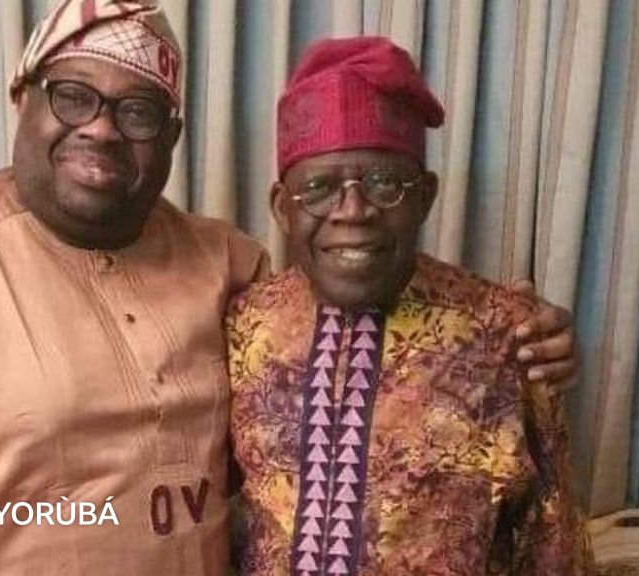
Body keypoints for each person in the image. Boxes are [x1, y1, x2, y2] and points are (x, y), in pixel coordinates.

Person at [0, 1, 576, 574]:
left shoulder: (229, 270)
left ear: (172, 138)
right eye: (72, 96)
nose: (100, 128)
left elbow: (352, 349)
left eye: (138, 112)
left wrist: (525, 333)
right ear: (22, 100)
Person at [226, 37, 591, 575]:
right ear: (283, 208)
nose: (353, 211)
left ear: (424, 197)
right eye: (320, 187)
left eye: (384, 183)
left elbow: (551, 542)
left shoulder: (505, 335)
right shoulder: (243, 326)